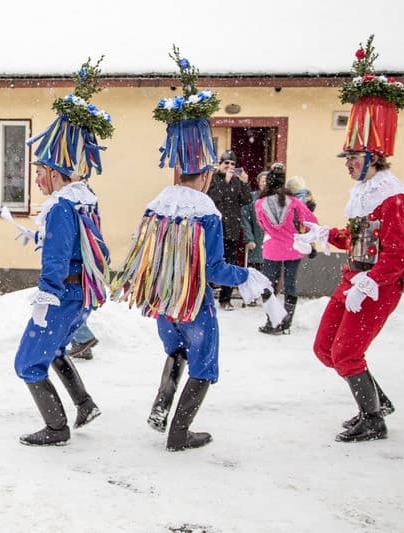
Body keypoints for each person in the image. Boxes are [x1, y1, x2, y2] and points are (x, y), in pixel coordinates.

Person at [113, 47, 281, 451]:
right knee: (204, 367)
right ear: (205, 174)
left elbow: (148, 258)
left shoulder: (158, 204)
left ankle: (160, 407)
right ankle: (179, 433)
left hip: (164, 306)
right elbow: (215, 269)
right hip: (194, 305)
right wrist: (250, 275)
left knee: (176, 353)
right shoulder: (205, 211)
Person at [295, 35, 404, 442]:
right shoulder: (365, 192)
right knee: (324, 349)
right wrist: (322, 233)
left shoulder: (391, 194)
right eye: (347, 159)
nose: (347, 165)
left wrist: (368, 283)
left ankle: (373, 420)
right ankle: (377, 402)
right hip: (354, 277)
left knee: (347, 353)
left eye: (352, 158)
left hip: (376, 284)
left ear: (372, 158)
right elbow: (358, 237)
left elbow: (397, 254)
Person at [13, 57, 113, 446]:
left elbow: (57, 258)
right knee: (54, 351)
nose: (37, 179)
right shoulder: (85, 198)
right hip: (82, 292)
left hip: (63, 294)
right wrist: (39, 238)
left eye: (40, 172)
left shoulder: (60, 205)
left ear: (56, 171)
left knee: (27, 362)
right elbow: (78, 245)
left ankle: (56, 428)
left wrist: (46, 295)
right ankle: (84, 404)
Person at [255, 163, 319, 334]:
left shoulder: (260, 204)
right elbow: (311, 220)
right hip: (293, 247)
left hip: (272, 248)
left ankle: (273, 321)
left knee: (268, 285)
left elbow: (262, 225)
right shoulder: (294, 202)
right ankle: (287, 322)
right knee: (290, 284)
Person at [206, 150, 252, 310]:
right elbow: (213, 198)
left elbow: (246, 200)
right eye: (227, 163)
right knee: (211, 262)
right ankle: (206, 295)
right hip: (215, 230)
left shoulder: (236, 181)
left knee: (230, 263)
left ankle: (226, 299)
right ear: (220, 164)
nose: (230, 166)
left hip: (232, 229)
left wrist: (245, 183)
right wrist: (225, 182)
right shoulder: (212, 179)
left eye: (233, 164)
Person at [240, 171, 268, 272]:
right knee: (255, 273)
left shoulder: (275, 199)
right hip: (256, 240)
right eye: (263, 181)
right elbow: (245, 219)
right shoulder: (251, 198)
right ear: (259, 182)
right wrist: (249, 239)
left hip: (271, 242)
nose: (265, 183)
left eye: (268, 181)